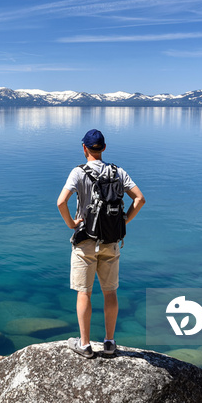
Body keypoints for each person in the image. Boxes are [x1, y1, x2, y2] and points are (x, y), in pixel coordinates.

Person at [57, 129, 145, 357]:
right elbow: (140, 198)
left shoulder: (78, 172)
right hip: (111, 241)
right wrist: (124, 220)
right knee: (110, 292)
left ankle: (84, 344)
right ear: (104, 148)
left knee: (84, 292)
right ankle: (109, 342)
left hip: (85, 241)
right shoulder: (118, 172)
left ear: (84, 148)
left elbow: (61, 202)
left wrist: (71, 224)